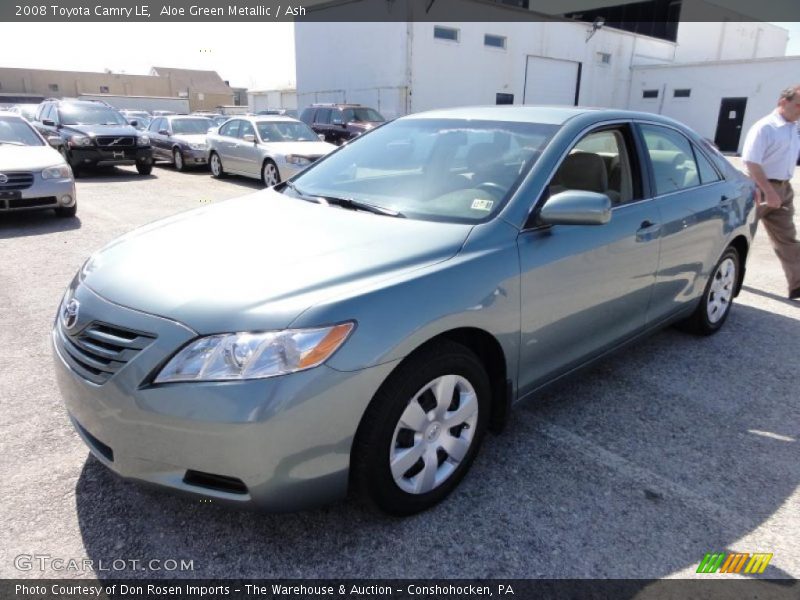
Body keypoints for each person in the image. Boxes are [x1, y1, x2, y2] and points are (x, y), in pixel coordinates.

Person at [741, 84, 800, 299]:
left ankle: (797, 285)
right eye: (798, 105)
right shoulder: (765, 127)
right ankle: (727, 278)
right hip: (758, 188)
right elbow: (751, 162)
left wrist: (781, 190)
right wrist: (769, 191)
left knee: (788, 238)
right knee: (740, 236)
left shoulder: (793, 126)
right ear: (782, 102)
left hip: (783, 188)